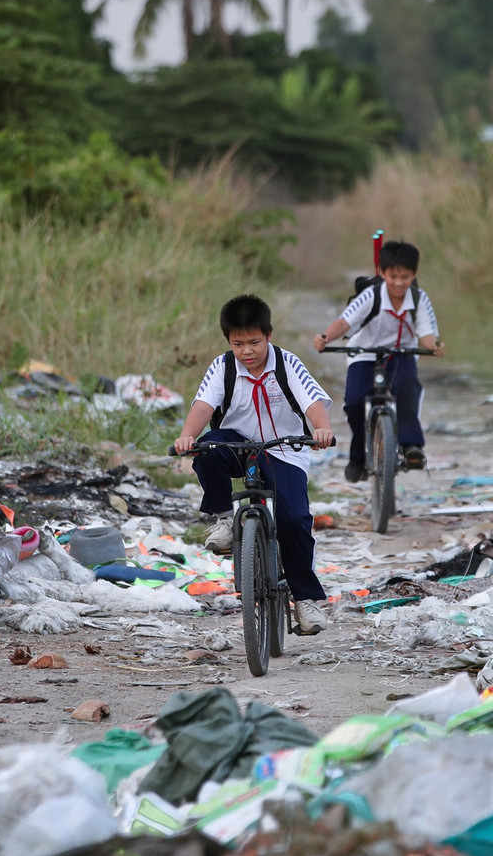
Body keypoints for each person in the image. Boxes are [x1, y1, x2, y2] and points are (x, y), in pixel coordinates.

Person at [173, 294, 338, 636]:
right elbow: (203, 406)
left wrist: (322, 429)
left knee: (294, 520)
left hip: (284, 449)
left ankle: (305, 600)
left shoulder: (288, 364)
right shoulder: (223, 367)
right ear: (228, 341)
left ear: (269, 335)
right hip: (236, 444)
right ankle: (224, 519)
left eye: (254, 342)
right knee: (206, 449)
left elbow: (313, 403)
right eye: (238, 344)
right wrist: (187, 437)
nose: (247, 351)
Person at [312, 239, 445, 482]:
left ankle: (411, 445)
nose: (398, 283)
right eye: (393, 276)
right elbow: (345, 322)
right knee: (354, 401)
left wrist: (433, 346)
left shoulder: (419, 299)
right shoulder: (370, 296)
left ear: (414, 274)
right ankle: (357, 458)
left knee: (408, 387)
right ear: (382, 273)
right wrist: (326, 337)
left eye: (405, 277)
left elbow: (426, 333)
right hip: (364, 353)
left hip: (401, 354)